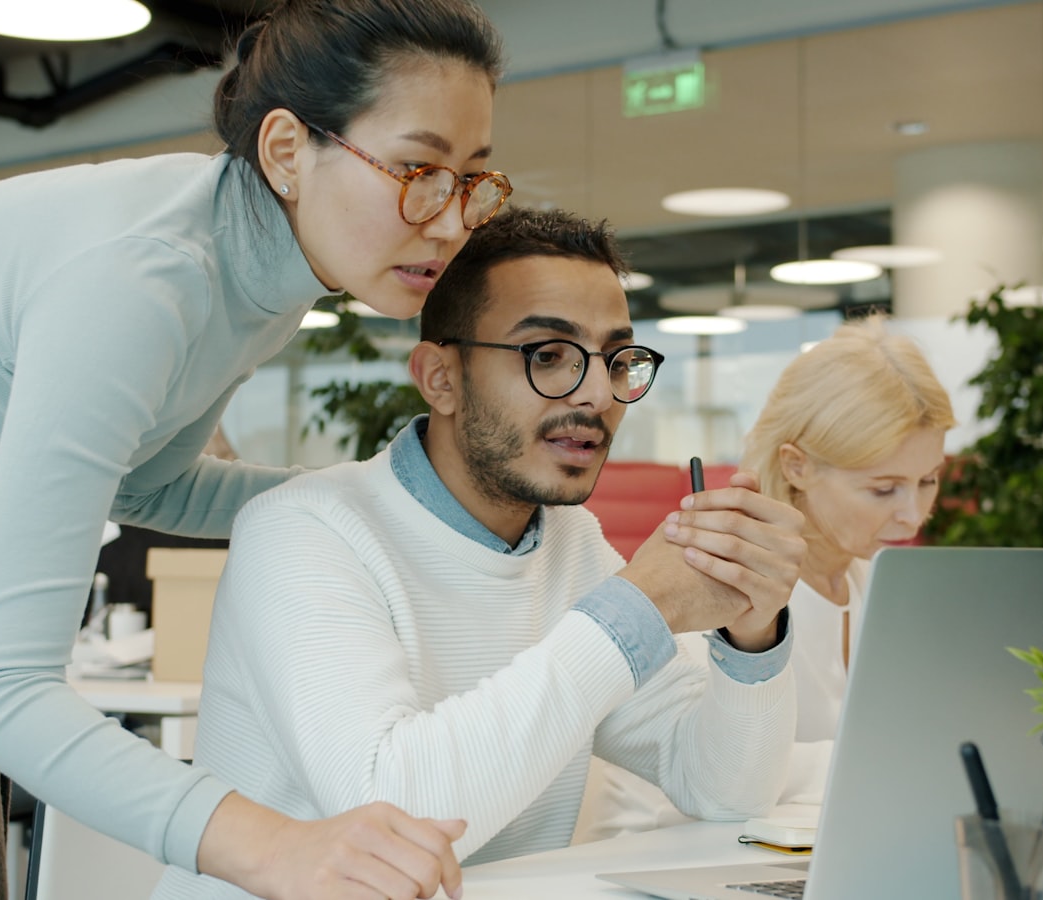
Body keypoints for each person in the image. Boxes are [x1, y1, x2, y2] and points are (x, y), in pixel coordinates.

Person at [0, 2, 507, 898]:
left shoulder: (269, 271)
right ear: (289, 151)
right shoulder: (146, 281)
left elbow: (147, 484)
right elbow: (0, 695)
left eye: (471, 180)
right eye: (417, 169)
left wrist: (384, 498)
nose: (450, 222)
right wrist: (274, 847)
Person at [152, 206, 805, 898]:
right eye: (547, 354)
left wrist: (752, 631)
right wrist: (635, 611)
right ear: (440, 378)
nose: (596, 395)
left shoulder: (572, 546)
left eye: (617, 359)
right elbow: (392, 813)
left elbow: (725, 792)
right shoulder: (304, 530)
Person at [576, 315, 957, 838]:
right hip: (663, 857)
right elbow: (707, 783)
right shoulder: (719, 588)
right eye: (883, 489)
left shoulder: (879, 587)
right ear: (797, 465)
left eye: (928, 481)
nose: (913, 516)